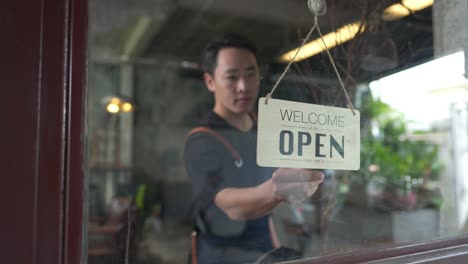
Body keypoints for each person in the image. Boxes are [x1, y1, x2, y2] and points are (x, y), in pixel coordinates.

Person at [184, 34, 324, 264]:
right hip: (220, 252)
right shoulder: (201, 140)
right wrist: (277, 189)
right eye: (231, 77)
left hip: (265, 246)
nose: (244, 87)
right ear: (210, 82)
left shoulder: (267, 130)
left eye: (251, 75)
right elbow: (229, 204)